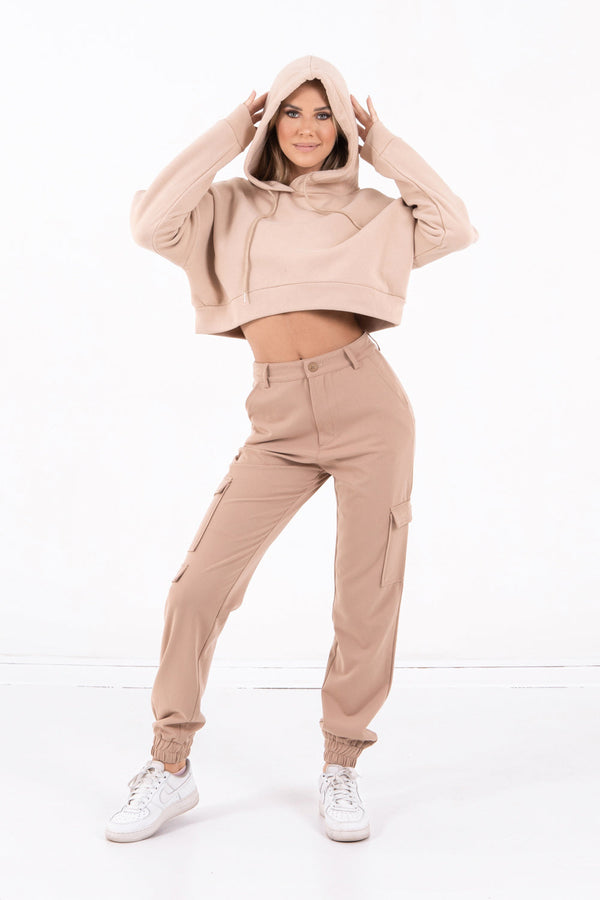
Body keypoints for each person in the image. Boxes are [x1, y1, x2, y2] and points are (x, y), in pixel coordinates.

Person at [105, 54, 478, 844]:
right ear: (269, 122)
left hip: (368, 409)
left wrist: (387, 148)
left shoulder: (374, 212)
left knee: (365, 595)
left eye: (324, 113)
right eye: (291, 112)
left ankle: (341, 763)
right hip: (277, 421)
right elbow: (150, 224)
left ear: (344, 125)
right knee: (197, 589)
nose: (308, 128)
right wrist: (224, 135)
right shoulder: (230, 206)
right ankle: (170, 764)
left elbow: (453, 224)